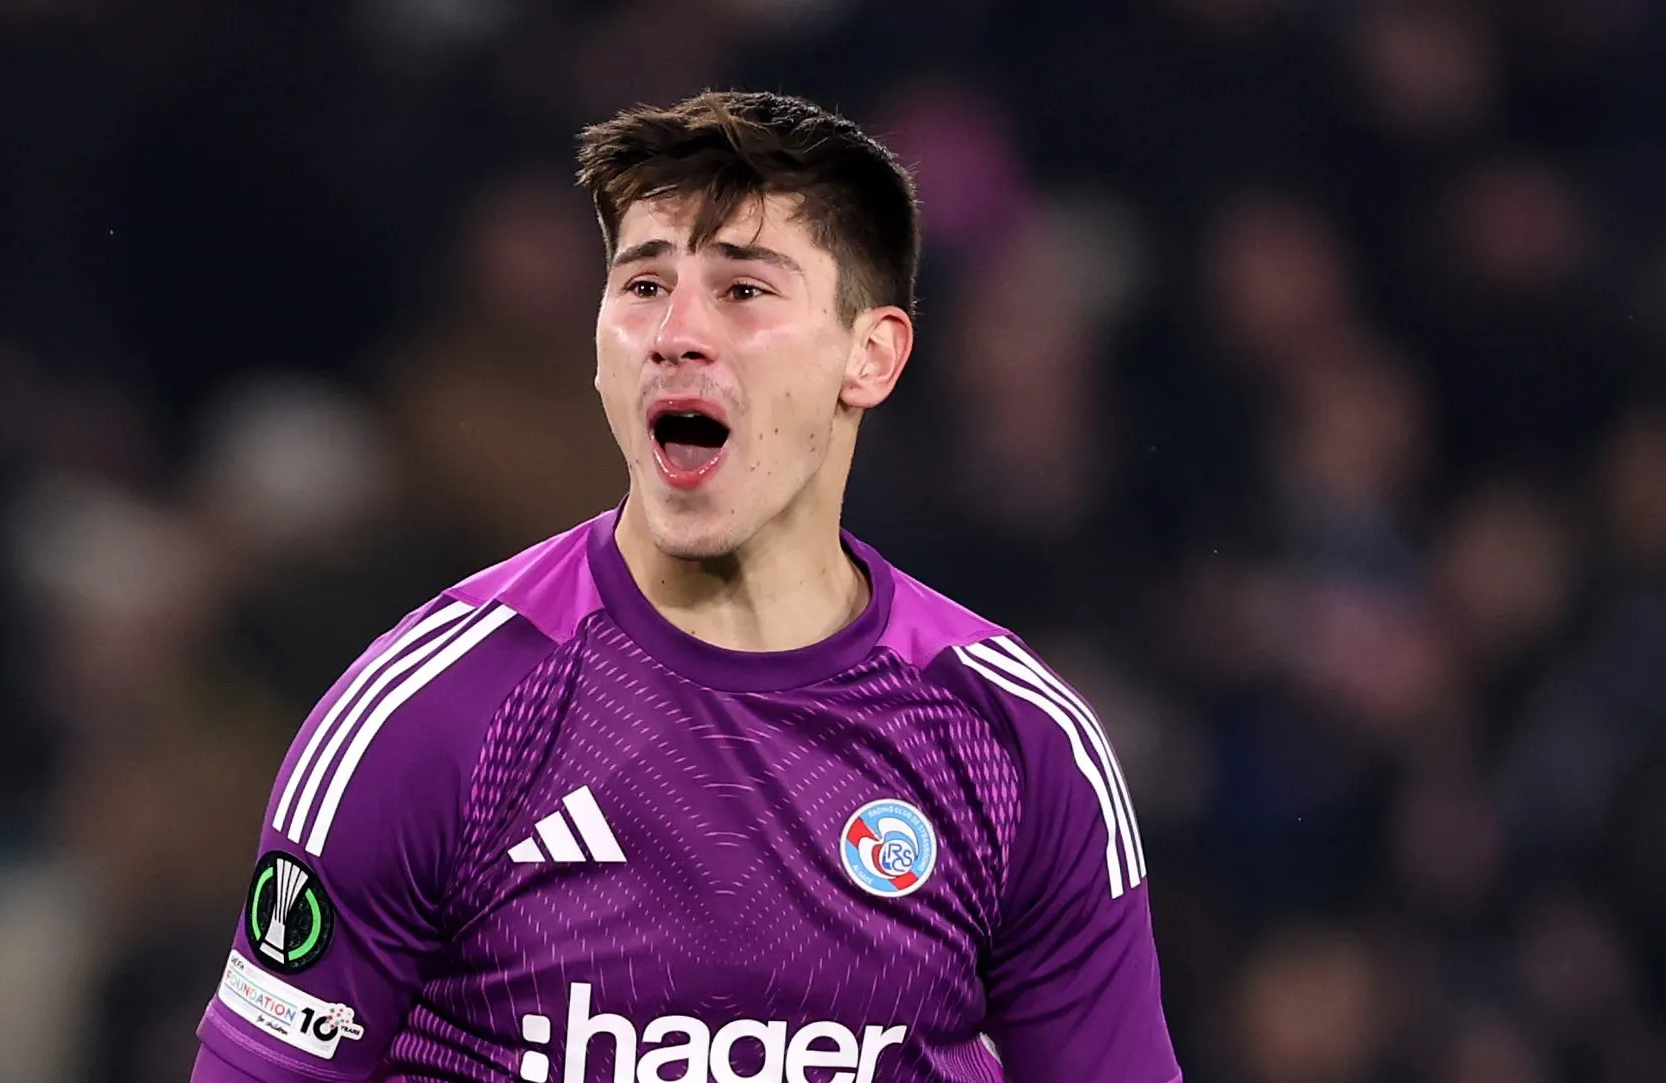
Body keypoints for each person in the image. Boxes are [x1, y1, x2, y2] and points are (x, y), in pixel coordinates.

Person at [189, 90, 1180, 1083]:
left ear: (868, 356)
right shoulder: (431, 712)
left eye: (743, 292)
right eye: (643, 286)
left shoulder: (1014, 739)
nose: (676, 334)